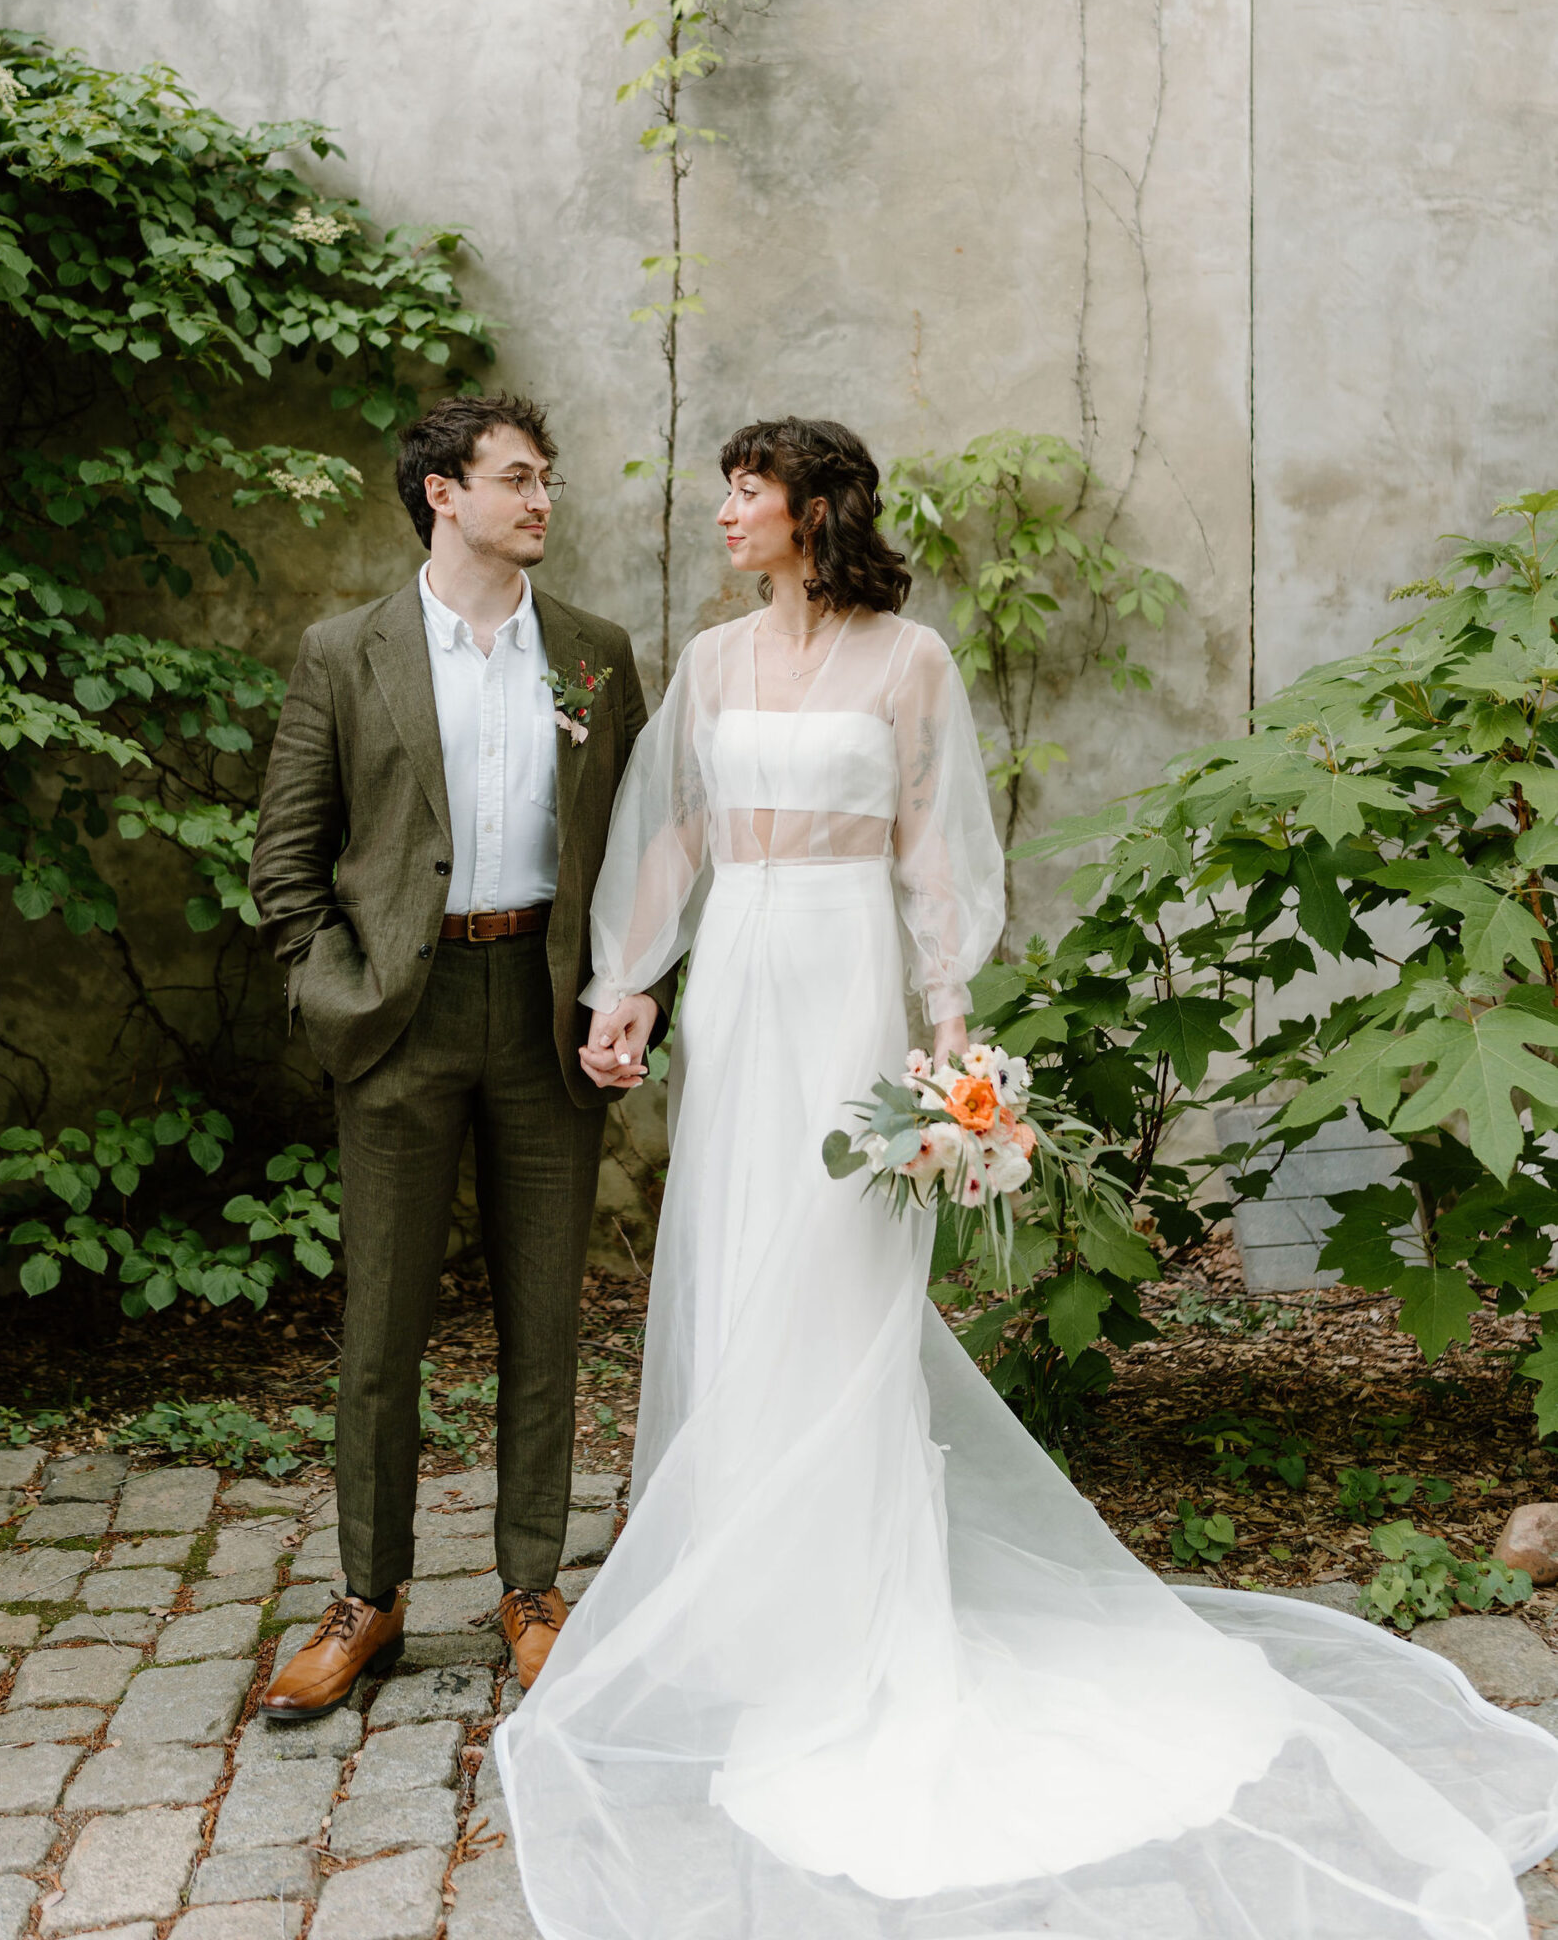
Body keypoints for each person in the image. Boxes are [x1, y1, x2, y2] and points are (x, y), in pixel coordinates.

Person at [497, 414, 1558, 1940]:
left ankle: (859, 1608)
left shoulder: (909, 664)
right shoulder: (715, 663)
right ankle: (743, 1608)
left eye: (748, 490)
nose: (724, 510)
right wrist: (625, 983)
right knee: (734, 1265)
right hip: (743, 979)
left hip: (856, 973)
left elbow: (938, 850)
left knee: (840, 1268)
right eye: (725, 488)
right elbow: (671, 838)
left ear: (814, 507)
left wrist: (950, 1038)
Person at [248, 393, 669, 1714]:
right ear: (444, 494)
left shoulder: (593, 654)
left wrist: (636, 994)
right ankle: (368, 1599)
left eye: (547, 479)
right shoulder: (347, 651)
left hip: (544, 1007)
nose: (543, 500)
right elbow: (285, 859)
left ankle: (531, 1587)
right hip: (401, 1016)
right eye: (517, 479)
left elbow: (647, 850)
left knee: (548, 1317)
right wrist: (334, 999)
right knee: (381, 1329)